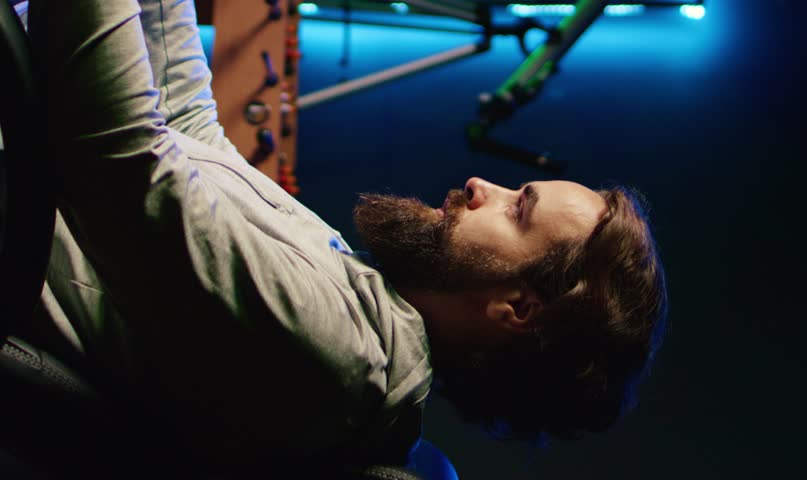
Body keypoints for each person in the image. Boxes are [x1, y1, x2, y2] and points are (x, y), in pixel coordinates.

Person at [21, 0, 668, 474]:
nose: (480, 186)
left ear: (519, 309)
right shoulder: (361, 303)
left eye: (516, 210)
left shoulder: (336, 350)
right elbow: (190, 129)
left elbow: (116, 156)